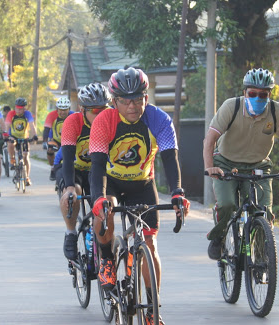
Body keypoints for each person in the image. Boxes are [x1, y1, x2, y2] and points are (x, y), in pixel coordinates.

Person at [89, 67, 190, 325]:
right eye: (125, 100)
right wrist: (99, 197)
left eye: (138, 98)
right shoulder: (104, 121)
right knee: (104, 212)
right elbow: (98, 165)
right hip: (110, 182)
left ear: (146, 97)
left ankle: (153, 306)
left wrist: (178, 192)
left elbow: (170, 158)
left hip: (143, 183)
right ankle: (108, 258)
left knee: (150, 245)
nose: (133, 106)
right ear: (114, 101)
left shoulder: (159, 120)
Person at [203, 68, 279, 260]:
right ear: (245, 93)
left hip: (258, 166)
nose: (258, 98)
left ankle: (260, 260)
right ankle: (219, 236)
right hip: (225, 163)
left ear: (269, 95)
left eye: (263, 94)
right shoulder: (230, 107)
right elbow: (210, 140)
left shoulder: (277, 112)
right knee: (227, 204)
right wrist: (210, 167)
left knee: (263, 212)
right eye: (253, 94)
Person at [59, 83, 111, 260]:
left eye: (105, 109)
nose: (101, 115)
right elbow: (67, 158)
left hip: (100, 171)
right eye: (96, 111)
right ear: (82, 109)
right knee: (73, 194)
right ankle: (71, 232)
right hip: (77, 169)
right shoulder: (73, 122)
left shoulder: (112, 120)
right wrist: (70, 187)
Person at [5, 98, 38, 186]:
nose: (19, 110)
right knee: (10, 143)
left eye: (21, 108)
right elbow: (7, 126)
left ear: (24, 108)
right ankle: (12, 159)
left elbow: (32, 125)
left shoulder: (27, 114)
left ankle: (27, 177)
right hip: (13, 136)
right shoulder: (11, 114)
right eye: (17, 108)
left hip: (24, 137)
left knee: (26, 157)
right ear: (15, 108)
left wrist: (34, 135)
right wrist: (7, 136)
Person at [43, 97, 74, 181]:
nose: (63, 112)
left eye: (65, 110)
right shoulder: (52, 115)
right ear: (57, 109)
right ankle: (53, 168)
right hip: (57, 140)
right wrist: (44, 141)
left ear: (69, 109)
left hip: (71, 141)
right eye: (60, 109)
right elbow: (46, 129)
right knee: (50, 149)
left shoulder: (73, 115)